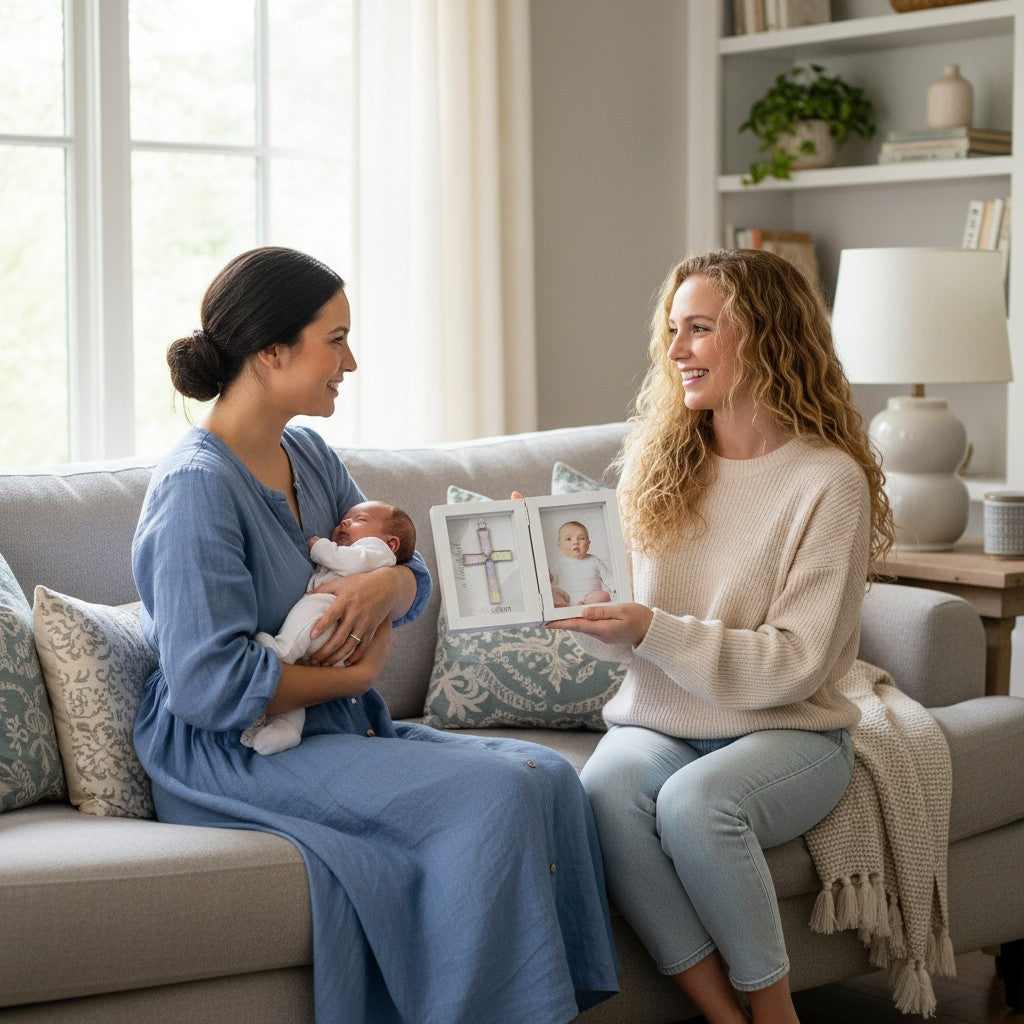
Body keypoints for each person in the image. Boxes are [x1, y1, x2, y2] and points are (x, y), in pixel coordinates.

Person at [131, 247, 619, 1024]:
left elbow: (407, 569)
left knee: (550, 777)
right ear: (270, 350)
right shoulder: (197, 489)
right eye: (336, 339)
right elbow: (207, 687)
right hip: (229, 752)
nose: (349, 361)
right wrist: (354, 680)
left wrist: (390, 582)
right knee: (493, 793)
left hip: (324, 728)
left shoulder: (309, 455)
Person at [554, 248, 895, 1024]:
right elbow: (633, 639)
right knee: (601, 793)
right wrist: (591, 614)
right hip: (661, 719)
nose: (675, 351)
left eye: (699, 329)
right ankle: (721, 1014)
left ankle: (774, 1013)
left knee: (698, 805)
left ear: (766, 337)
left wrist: (651, 626)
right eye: (673, 330)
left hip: (790, 729)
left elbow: (795, 664)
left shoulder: (826, 481)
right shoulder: (661, 461)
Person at [241, 499, 417, 755]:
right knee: (302, 685)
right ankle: (286, 728)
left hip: (331, 611)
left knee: (306, 616)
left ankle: (280, 653)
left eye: (360, 519)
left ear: (391, 543)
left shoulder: (377, 551)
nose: (345, 522)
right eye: (345, 518)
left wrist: (319, 546)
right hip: (340, 647)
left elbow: (352, 562)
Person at [549, 519, 613, 607]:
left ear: (588, 544)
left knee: (603, 595)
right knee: (551, 593)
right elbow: (553, 579)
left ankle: (585, 605)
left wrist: (617, 591)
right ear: (560, 546)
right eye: (568, 539)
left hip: (590, 597)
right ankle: (565, 607)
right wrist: (549, 576)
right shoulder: (559, 562)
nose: (576, 542)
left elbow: (609, 578)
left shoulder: (594, 560)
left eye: (581, 538)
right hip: (566, 598)